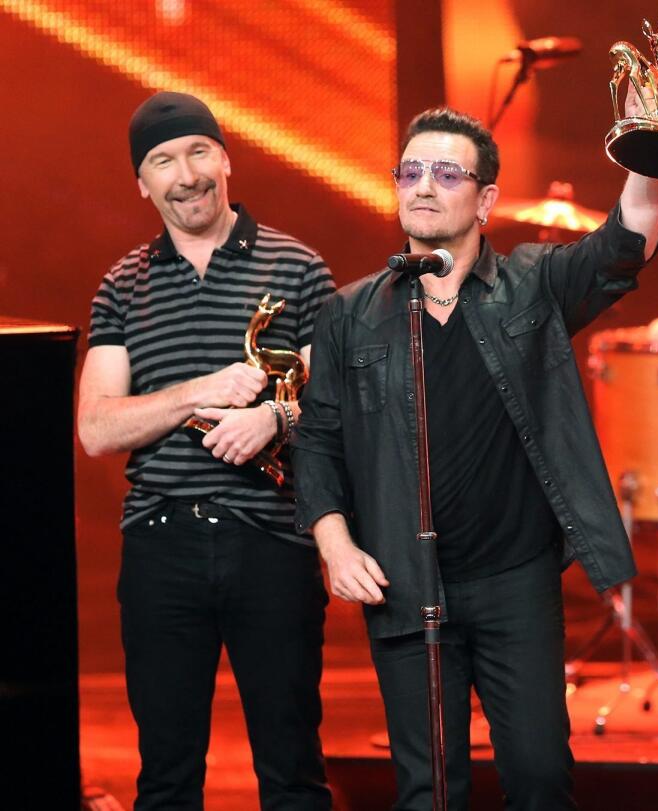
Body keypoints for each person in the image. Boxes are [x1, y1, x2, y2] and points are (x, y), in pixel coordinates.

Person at [291, 90, 658, 810]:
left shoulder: (532, 285)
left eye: (446, 173)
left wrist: (646, 152)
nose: (423, 185)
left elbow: (629, 239)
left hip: (513, 579)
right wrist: (334, 543)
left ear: (486, 199)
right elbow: (317, 439)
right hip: (405, 579)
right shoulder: (350, 313)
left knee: (537, 776)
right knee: (429, 789)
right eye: (410, 172)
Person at [77, 91, 335, 810]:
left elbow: (342, 400)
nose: (184, 174)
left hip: (274, 540)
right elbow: (96, 428)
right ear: (142, 182)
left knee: (293, 771)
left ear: (225, 158)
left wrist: (277, 419)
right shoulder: (122, 285)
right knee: (166, 776)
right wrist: (201, 391)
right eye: (162, 160)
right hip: (160, 545)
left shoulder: (299, 267)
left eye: (196, 152)